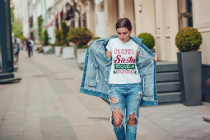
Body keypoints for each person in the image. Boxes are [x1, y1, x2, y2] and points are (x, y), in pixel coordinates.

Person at [80, 18, 158, 140]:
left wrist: (152, 58)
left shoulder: (136, 45)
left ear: (131, 30)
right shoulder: (112, 43)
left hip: (135, 86)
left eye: (125, 33)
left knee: (132, 121)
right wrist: (94, 46)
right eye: (119, 33)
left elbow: (141, 62)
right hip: (116, 86)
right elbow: (104, 62)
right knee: (117, 121)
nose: (122, 36)